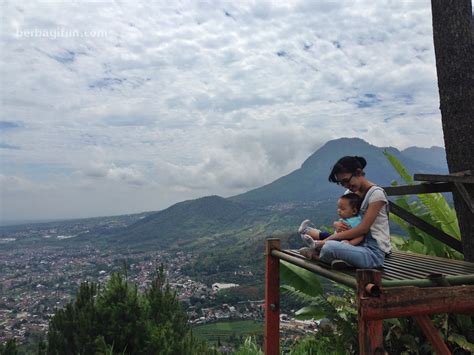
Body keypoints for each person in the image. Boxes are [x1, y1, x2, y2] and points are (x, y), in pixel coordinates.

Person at [299, 156, 391, 269]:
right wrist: (337, 224)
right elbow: (346, 217)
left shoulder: (376, 195)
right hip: (352, 245)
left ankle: (315, 255)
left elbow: (363, 229)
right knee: (310, 237)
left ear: (358, 172)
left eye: (346, 181)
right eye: (342, 183)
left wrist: (326, 241)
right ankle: (344, 260)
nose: (346, 186)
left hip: (373, 252)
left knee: (329, 247)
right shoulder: (350, 192)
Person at [298, 192, 364, 250]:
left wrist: (350, 243)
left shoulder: (356, 221)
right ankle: (305, 230)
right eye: (338, 208)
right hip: (335, 237)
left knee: (327, 240)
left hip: (341, 241)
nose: (339, 210)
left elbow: (360, 235)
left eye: (342, 209)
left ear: (354, 211)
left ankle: (316, 244)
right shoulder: (347, 218)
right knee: (321, 234)